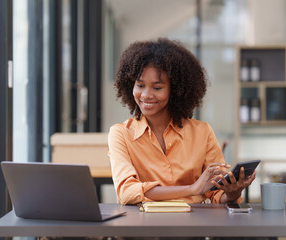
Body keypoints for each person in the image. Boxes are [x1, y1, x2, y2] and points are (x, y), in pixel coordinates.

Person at [108, 38, 256, 205]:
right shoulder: (120, 133)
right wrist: (193, 189)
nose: (146, 95)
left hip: (191, 227)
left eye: (157, 88)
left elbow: (217, 194)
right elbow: (127, 193)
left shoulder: (202, 132)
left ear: (176, 90)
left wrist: (233, 191)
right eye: (140, 85)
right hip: (145, 227)